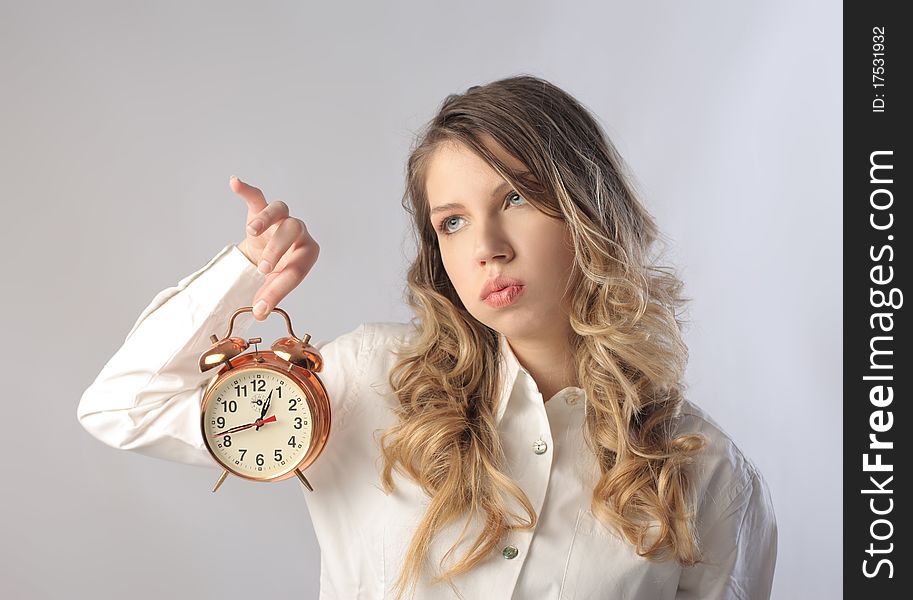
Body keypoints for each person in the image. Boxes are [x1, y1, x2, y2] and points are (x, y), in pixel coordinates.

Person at [77, 75, 777, 599]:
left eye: (515, 198)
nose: (488, 247)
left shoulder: (705, 474)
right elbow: (121, 406)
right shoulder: (367, 382)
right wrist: (244, 270)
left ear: (587, 210)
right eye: (452, 221)